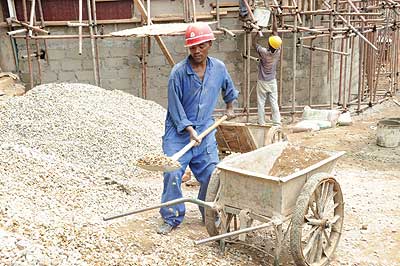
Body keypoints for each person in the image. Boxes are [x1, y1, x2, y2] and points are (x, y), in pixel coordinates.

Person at [157, 22, 239, 235]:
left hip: (206, 131)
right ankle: (171, 217)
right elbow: (175, 108)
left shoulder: (218, 68)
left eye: (201, 46)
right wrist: (189, 130)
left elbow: (229, 89)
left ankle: (208, 213)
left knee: (211, 175)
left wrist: (230, 107)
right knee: (173, 172)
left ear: (209, 43)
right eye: (192, 47)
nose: (196, 51)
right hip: (178, 133)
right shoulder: (178, 73)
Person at [252, 11, 282, 125]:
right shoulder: (278, 51)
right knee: (274, 102)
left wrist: (257, 31)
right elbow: (275, 31)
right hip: (272, 81)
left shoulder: (264, 52)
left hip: (262, 81)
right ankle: (277, 122)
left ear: (269, 45)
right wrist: (274, 16)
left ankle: (262, 122)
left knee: (261, 102)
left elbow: (254, 44)